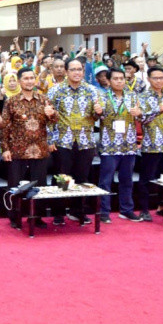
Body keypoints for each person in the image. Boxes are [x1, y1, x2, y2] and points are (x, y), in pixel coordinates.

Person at [46, 57, 102, 226]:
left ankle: (79, 211)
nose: (77, 72)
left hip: (86, 141)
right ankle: (59, 212)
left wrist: (99, 112)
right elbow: (48, 117)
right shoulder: (56, 91)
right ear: (66, 71)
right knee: (63, 178)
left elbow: (96, 115)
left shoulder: (92, 91)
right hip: (63, 141)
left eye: (80, 69)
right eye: (73, 69)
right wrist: (50, 139)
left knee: (82, 177)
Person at [0, 67, 55, 229]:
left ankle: (36, 217)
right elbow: (4, 127)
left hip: (40, 150)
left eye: (32, 78)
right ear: (19, 81)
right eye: (26, 78)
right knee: (16, 187)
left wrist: (51, 114)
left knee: (40, 187)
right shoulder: (12, 101)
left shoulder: (44, 99)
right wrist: (5, 149)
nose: (29, 81)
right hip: (17, 151)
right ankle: (15, 218)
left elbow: (55, 121)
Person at [96, 68, 143, 223]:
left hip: (128, 144)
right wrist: (98, 112)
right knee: (106, 180)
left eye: (122, 78)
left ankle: (127, 210)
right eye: (115, 79)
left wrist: (139, 113)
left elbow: (142, 116)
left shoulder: (132, 96)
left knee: (127, 179)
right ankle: (104, 211)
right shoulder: (102, 97)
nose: (119, 81)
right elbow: (95, 115)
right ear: (109, 81)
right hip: (109, 145)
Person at [137, 67, 163, 222]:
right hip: (151, 144)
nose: (159, 81)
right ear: (149, 79)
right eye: (155, 78)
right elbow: (143, 120)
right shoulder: (143, 97)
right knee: (146, 179)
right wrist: (158, 111)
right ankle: (144, 210)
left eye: (161, 78)